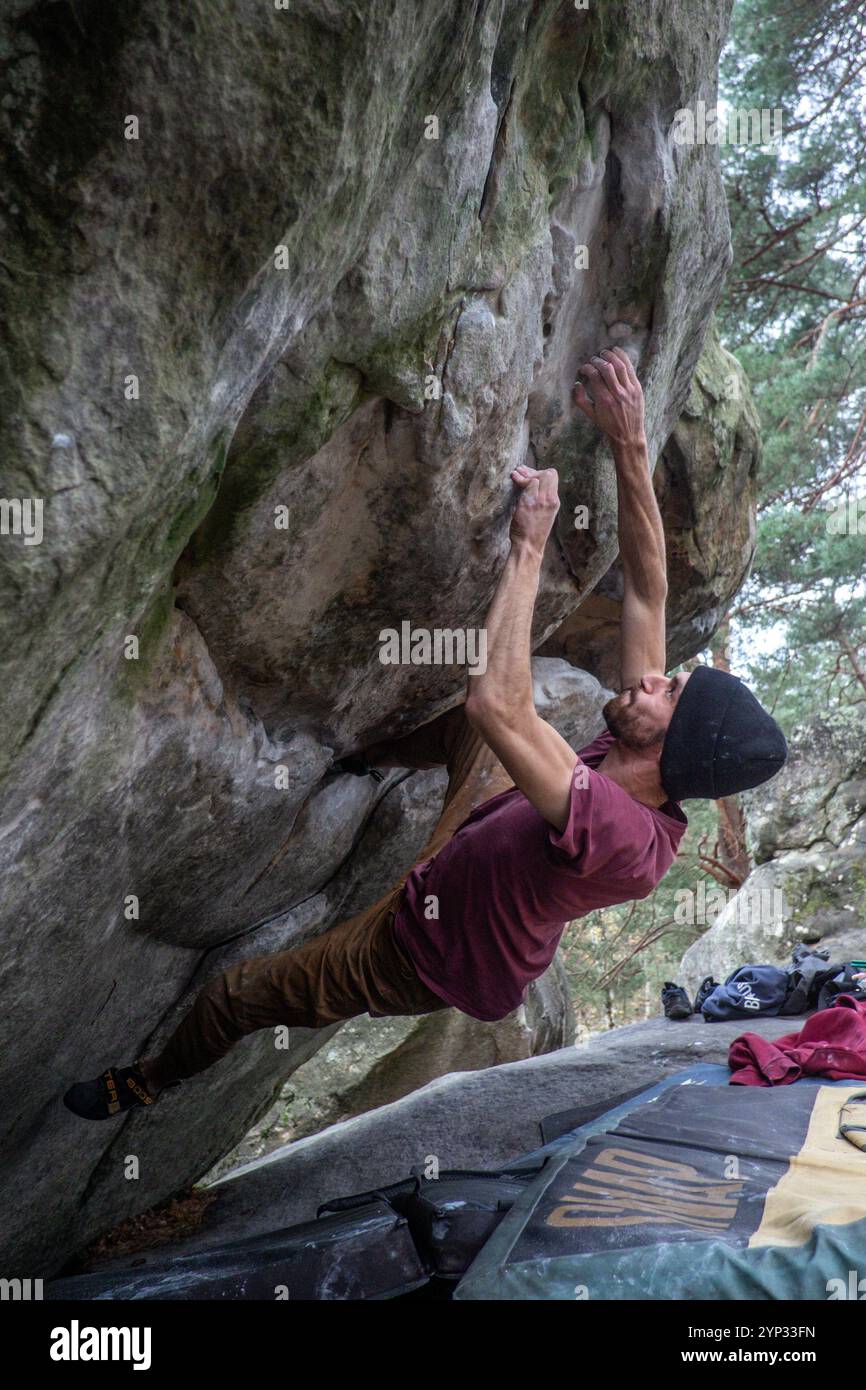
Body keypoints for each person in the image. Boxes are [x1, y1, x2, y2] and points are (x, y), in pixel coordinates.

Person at [64, 347, 787, 1120]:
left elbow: (497, 706)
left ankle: (148, 1080)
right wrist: (630, 440)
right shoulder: (647, 748)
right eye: (668, 675)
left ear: (667, 750)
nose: (651, 676)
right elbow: (649, 590)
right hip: (481, 838)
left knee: (237, 994)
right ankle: (365, 756)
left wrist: (529, 547)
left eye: (667, 691)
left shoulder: (626, 840)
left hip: (423, 951)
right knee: (464, 743)